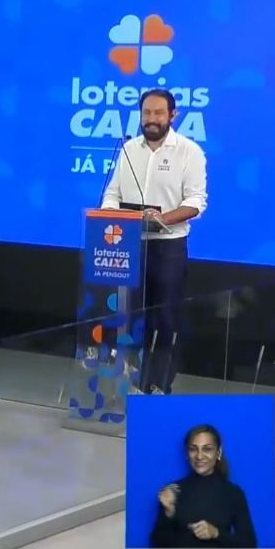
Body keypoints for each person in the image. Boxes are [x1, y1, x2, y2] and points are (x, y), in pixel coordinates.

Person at [102, 88, 208, 395]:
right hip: (128, 245)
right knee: (127, 315)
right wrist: (111, 214)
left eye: (159, 113)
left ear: (173, 115)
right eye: (147, 113)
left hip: (168, 247)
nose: (152, 118)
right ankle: (123, 382)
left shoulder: (189, 152)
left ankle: (157, 385)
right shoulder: (128, 150)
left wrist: (162, 219)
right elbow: (113, 193)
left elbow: (196, 202)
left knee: (164, 318)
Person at [149, 424, 257, 548]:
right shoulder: (173, 490)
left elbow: (250, 544)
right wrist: (168, 513)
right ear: (187, 454)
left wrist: (216, 533)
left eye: (207, 449)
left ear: (218, 452)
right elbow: (157, 545)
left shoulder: (234, 493)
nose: (199, 456)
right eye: (193, 449)